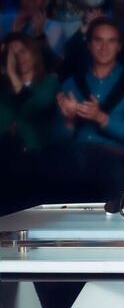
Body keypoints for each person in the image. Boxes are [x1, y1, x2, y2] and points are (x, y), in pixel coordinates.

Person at [53, 17, 124, 202]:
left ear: (119, 46)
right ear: (89, 45)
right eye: (98, 40)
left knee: (111, 171)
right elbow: (55, 137)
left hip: (114, 155)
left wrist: (100, 117)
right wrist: (69, 121)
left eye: (111, 41)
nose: (104, 47)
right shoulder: (72, 83)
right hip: (74, 154)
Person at [0, 34, 59, 213]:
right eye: (12, 54)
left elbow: (33, 109)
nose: (18, 57)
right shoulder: (3, 90)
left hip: (38, 157)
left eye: (23, 51)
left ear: (33, 52)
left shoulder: (50, 82)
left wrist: (12, 75)